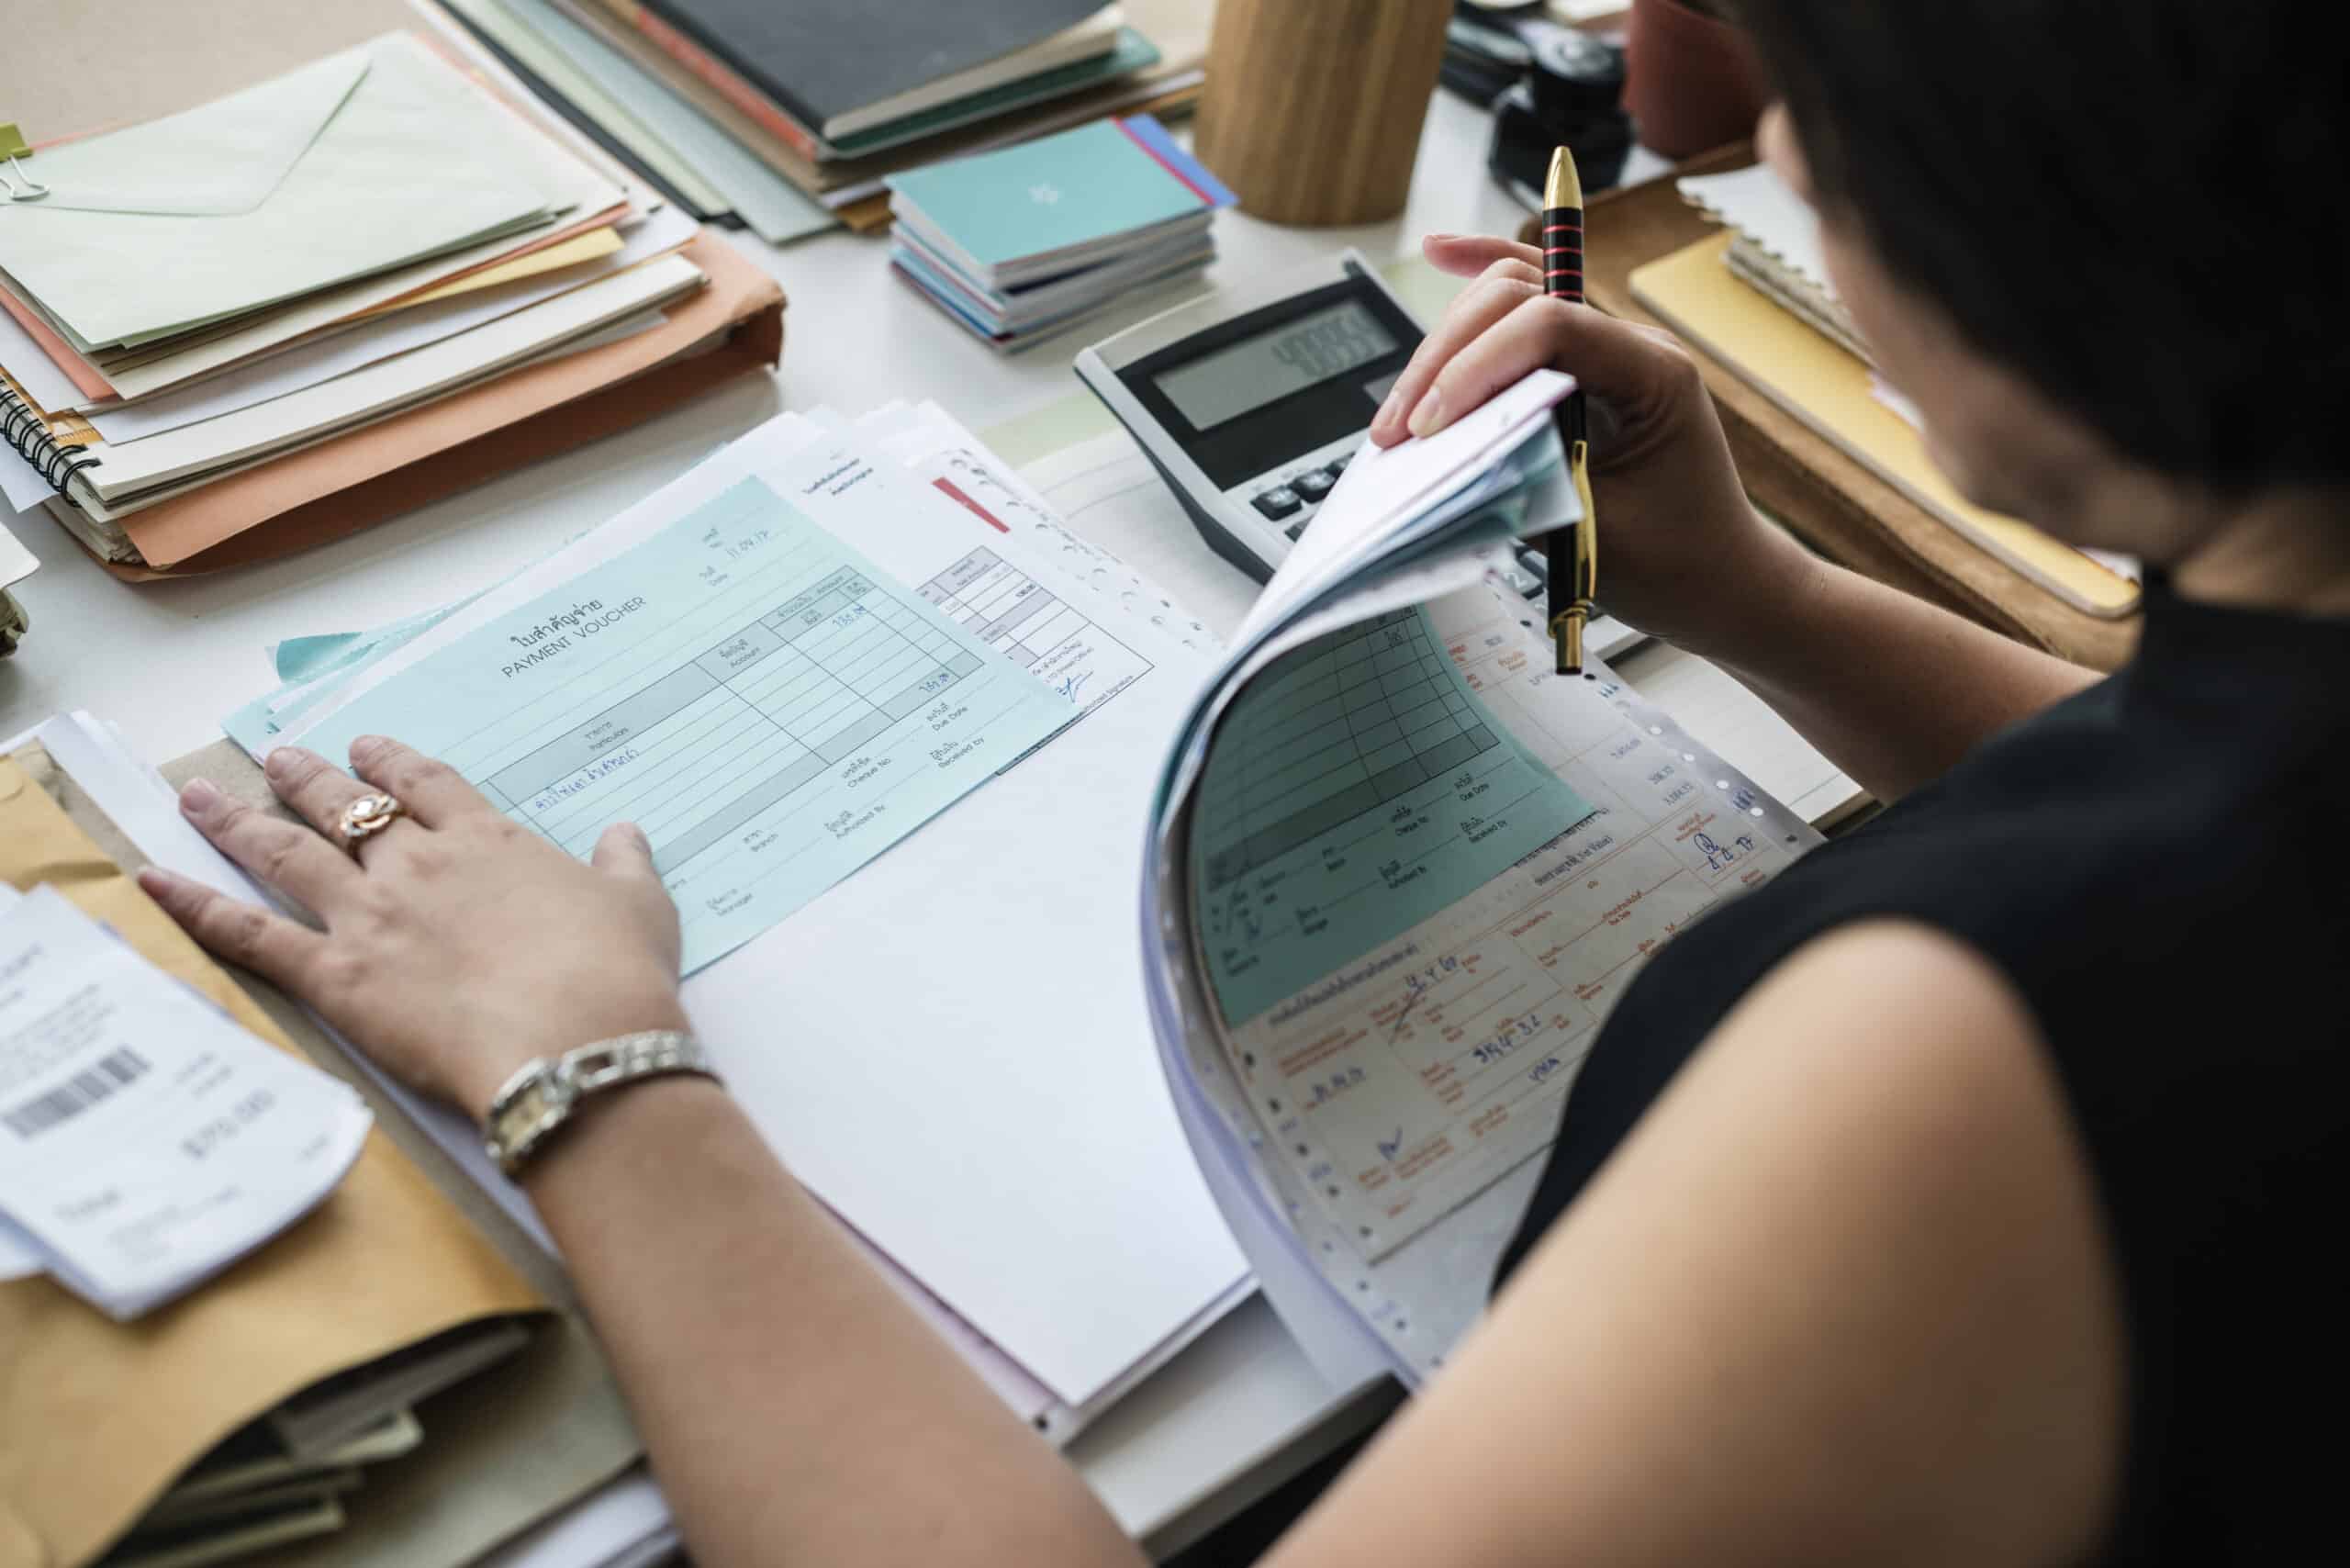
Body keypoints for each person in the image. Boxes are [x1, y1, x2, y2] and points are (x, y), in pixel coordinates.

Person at [137, 2, 2345, 1561]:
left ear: (2063, 186)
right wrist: (1753, 593)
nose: (1765, 149)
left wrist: (595, 1076)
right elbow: (2214, 775)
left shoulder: (1967, 1047)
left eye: (1820, 96)